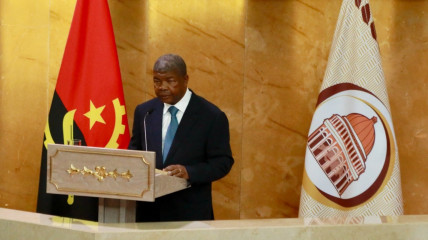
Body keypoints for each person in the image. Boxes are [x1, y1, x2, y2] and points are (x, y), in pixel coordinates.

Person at [128, 53, 234, 221]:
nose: (162, 87)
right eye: (157, 81)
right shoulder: (145, 112)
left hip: (189, 214)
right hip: (148, 213)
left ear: (185, 79)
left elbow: (222, 162)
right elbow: (135, 152)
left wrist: (189, 172)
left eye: (170, 81)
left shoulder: (211, 116)